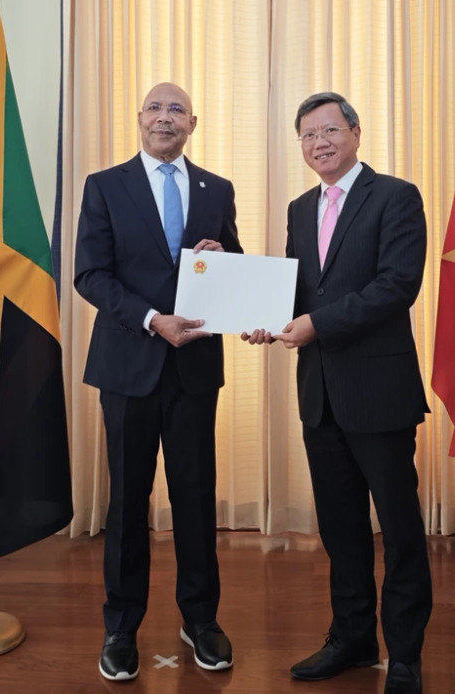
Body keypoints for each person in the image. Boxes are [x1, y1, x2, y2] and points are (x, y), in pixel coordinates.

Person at [243, 92, 431, 694]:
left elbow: (397, 286)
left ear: (355, 130)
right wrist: (263, 314)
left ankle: (403, 654)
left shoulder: (396, 197)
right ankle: (351, 638)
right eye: (307, 135)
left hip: (379, 392)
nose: (318, 142)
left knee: (399, 529)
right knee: (340, 528)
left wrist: (316, 324)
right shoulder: (301, 207)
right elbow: (302, 290)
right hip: (319, 394)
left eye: (328, 130)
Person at [75, 82, 242, 682]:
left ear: (192, 123)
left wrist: (221, 255)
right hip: (128, 365)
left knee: (196, 499)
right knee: (126, 503)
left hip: (195, 368)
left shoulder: (216, 189)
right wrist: (151, 319)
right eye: (154, 107)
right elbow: (89, 275)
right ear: (139, 118)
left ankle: (201, 619)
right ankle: (121, 625)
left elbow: (235, 267)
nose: (164, 118)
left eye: (176, 110)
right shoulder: (104, 186)